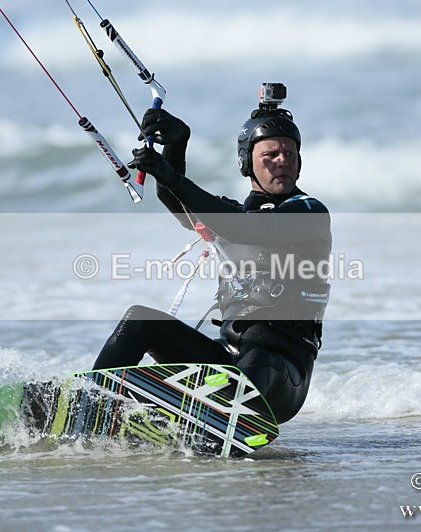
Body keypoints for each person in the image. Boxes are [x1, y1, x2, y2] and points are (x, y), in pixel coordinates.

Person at [92, 84, 331, 423]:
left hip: (282, 373)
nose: (282, 162)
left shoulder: (309, 213)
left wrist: (171, 175)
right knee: (139, 321)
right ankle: (92, 403)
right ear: (246, 162)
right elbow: (179, 205)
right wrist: (177, 144)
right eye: (270, 155)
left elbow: (246, 229)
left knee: (255, 364)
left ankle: (216, 420)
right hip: (228, 359)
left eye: (289, 154)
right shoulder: (234, 214)